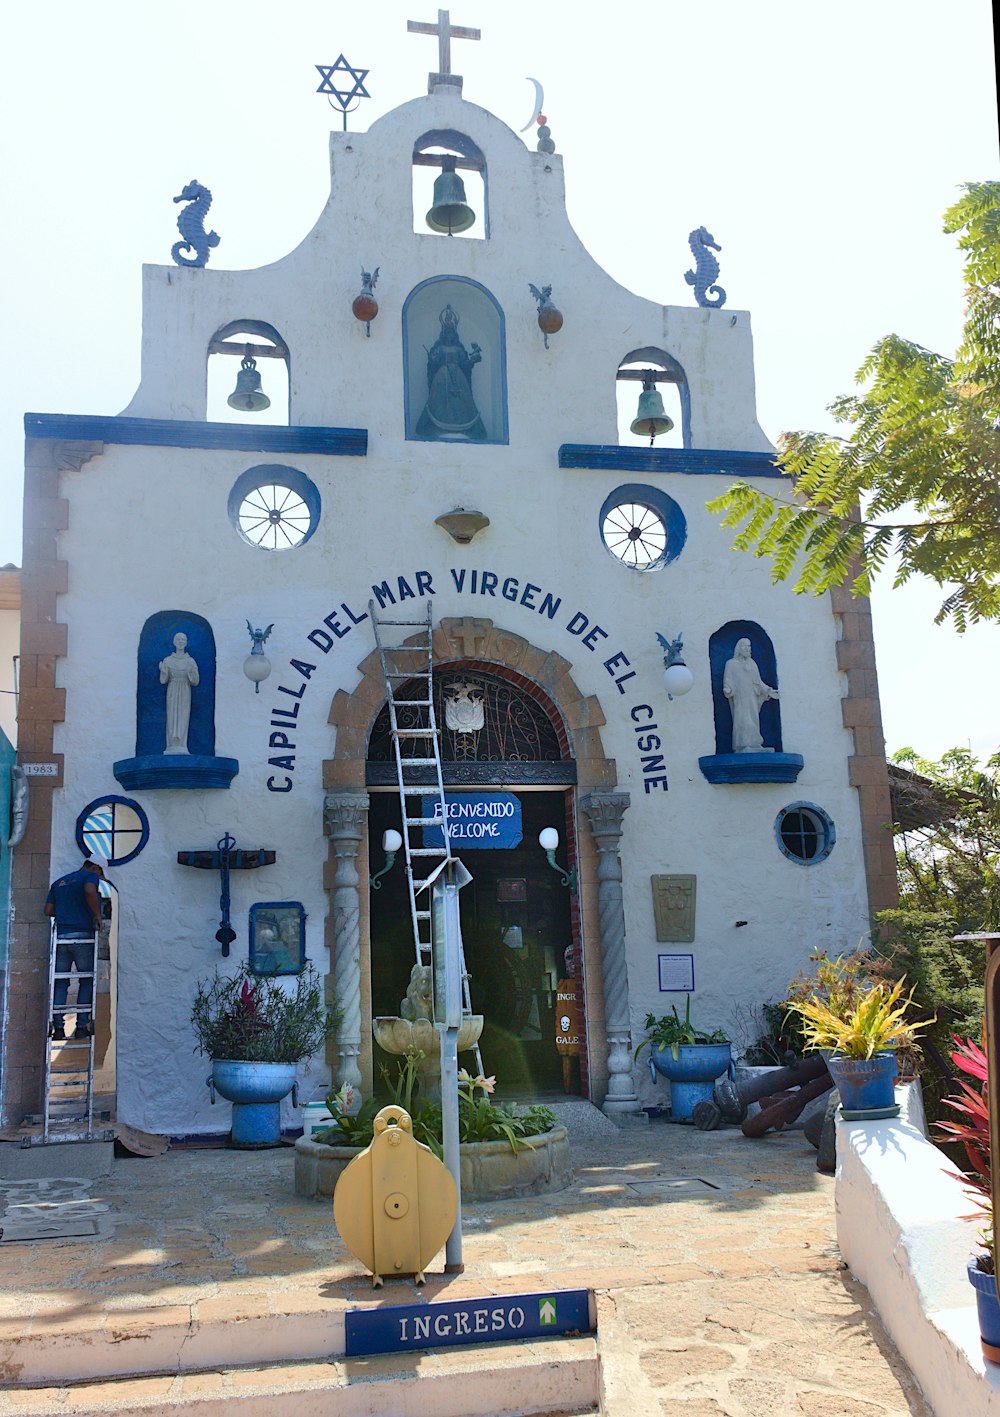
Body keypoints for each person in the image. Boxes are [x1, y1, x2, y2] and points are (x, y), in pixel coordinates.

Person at [44, 854, 108, 1040]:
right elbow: (89, 890)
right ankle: (81, 1027)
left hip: (62, 938)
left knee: (61, 982)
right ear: (96, 868)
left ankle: (58, 1029)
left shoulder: (59, 882)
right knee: (86, 981)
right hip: (82, 937)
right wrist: (96, 914)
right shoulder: (90, 877)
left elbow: (48, 911)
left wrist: (66, 913)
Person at [415, 304, 487, 441]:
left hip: (459, 379)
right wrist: (432, 359)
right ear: (444, 334)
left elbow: (464, 364)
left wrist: (472, 361)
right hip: (442, 378)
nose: (449, 335)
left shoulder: (459, 350)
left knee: (460, 401)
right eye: (447, 333)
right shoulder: (440, 348)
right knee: (440, 399)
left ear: (454, 334)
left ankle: (461, 423)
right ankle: (439, 423)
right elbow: (434, 363)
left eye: (451, 333)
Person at [723, 637, 779, 753]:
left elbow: (758, 682)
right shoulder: (731, 664)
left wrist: (768, 690)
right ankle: (742, 745)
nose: (748, 649)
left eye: (749, 646)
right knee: (742, 719)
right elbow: (728, 680)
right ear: (739, 648)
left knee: (753, 719)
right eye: (745, 646)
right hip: (740, 697)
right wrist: (728, 688)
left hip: (752, 697)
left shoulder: (752, 664)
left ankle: (755, 744)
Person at [159, 630, 200, 755]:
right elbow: (163, 680)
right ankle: (171, 744)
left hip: (185, 690)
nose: (180, 642)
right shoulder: (167, 660)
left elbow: (196, 681)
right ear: (174, 642)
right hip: (172, 689)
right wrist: (163, 670)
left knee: (183, 717)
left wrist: (190, 673)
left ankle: (182, 744)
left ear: (186, 643)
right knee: (172, 716)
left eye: (183, 640)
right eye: (178, 639)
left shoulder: (190, 661)